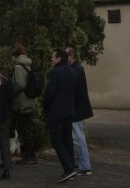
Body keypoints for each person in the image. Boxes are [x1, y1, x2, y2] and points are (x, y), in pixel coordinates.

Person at [43, 49, 78, 184]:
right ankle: (70, 168)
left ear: (59, 58)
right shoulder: (72, 72)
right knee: (67, 140)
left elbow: (49, 93)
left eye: (52, 57)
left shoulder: (55, 73)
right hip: (69, 111)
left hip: (57, 112)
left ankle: (69, 168)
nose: (51, 59)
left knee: (56, 140)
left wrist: (44, 104)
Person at [66, 47, 94, 176]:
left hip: (76, 109)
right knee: (78, 136)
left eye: (66, 55)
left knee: (78, 138)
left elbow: (74, 92)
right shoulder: (77, 68)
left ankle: (84, 165)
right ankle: (81, 163)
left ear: (71, 55)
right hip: (78, 108)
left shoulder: (74, 70)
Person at [11, 44, 38, 164]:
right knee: (27, 128)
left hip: (21, 103)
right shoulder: (28, 65)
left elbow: (21, 84)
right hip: (30, 100)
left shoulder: (18, 67)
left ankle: (29, 155)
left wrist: (11, 92)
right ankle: (30, 153)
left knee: (24, 129)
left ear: (15, 56)